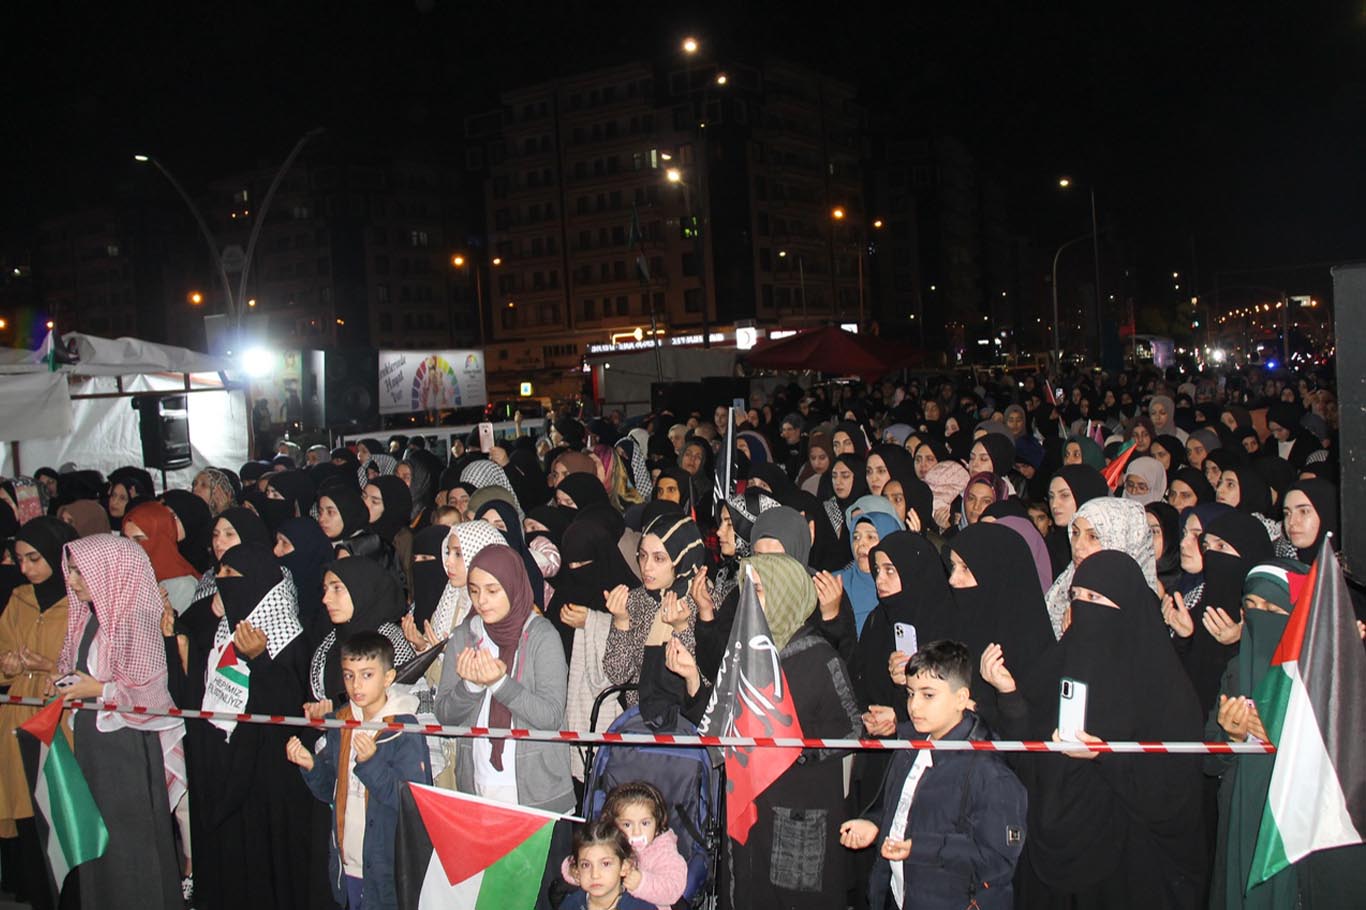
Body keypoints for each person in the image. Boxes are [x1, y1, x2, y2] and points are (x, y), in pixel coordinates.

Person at [985, 550, 1206, 907]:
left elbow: (1172, 794)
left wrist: (1106, 756)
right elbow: (1024, 757)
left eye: (1095, 598)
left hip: (1127, 865)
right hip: (1050, 853)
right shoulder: (1061, 663)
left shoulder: (1163, 689)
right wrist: (1009, 695)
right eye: (1077, 597)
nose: (1083, 608)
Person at [840, 640, 1027, 910]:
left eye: (928, 695)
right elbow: (902, 809)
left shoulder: (988, 770)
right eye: (910, 693)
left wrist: (918, 848)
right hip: (901, 895)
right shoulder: (910, 748)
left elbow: (998, 859)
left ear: (961, 698)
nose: (914, 706)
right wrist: (875, 825)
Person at [56, 535, 186, 909]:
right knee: (97, 841)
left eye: (81, 571)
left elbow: (149, 696)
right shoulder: (91, 617)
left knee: (129, 845)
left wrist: (95, 687)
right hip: (93, 745)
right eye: (73, 571)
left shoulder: (133, 618)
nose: (75, 580)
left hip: (125, 747)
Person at [287, 632, 430, 910]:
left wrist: (371, 762)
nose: (356, 685)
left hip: (387, 867)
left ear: (388, 678)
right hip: (347, 861)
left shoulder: (403, 729)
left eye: (366, 675)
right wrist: (312, 766)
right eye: (349, 675)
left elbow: (412, 804)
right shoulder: (343, 723)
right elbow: (332, 790)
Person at [434, 544, 575, 811]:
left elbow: (550, 717)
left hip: (539, 795)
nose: (481, 601)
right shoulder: (465, 635)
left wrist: (500, 684)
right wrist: (471, 686)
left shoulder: (542, 636)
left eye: (492, 590)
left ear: (513, 585)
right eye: (474, 591)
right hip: (477, 789)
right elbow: (445, 716)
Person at [0, 517, 77, 909]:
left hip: (62, 716)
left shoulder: (80, 602)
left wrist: (49, 665)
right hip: (18, 716)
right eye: (19, 559)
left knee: (61, 810)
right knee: (27, 810)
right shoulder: (19, 600)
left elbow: (87, 665)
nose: (25, 568)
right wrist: (9, 665)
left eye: (34, 558)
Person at [558, 781, 687, 910]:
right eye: (627, 825)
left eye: (645, 823)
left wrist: (641, 883)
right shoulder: (610, 843)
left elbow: (673, 888)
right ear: (613, 824)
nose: (637, 832)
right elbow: (583, 859)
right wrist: (571, 871)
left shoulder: (664, 851)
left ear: (657, 823)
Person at [123, 500, 201, 615]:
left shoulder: (183, 585)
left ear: (160, 541)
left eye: (138, 540)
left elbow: (168, 630)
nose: (128, 548)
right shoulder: (129, 574)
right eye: (125, 539)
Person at [561, 821, 656, 910]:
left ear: (624, 867)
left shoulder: (642, 908)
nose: (595, 875)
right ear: (576, 871)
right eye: (586, 865)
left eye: (605, 864)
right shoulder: (570, 904)